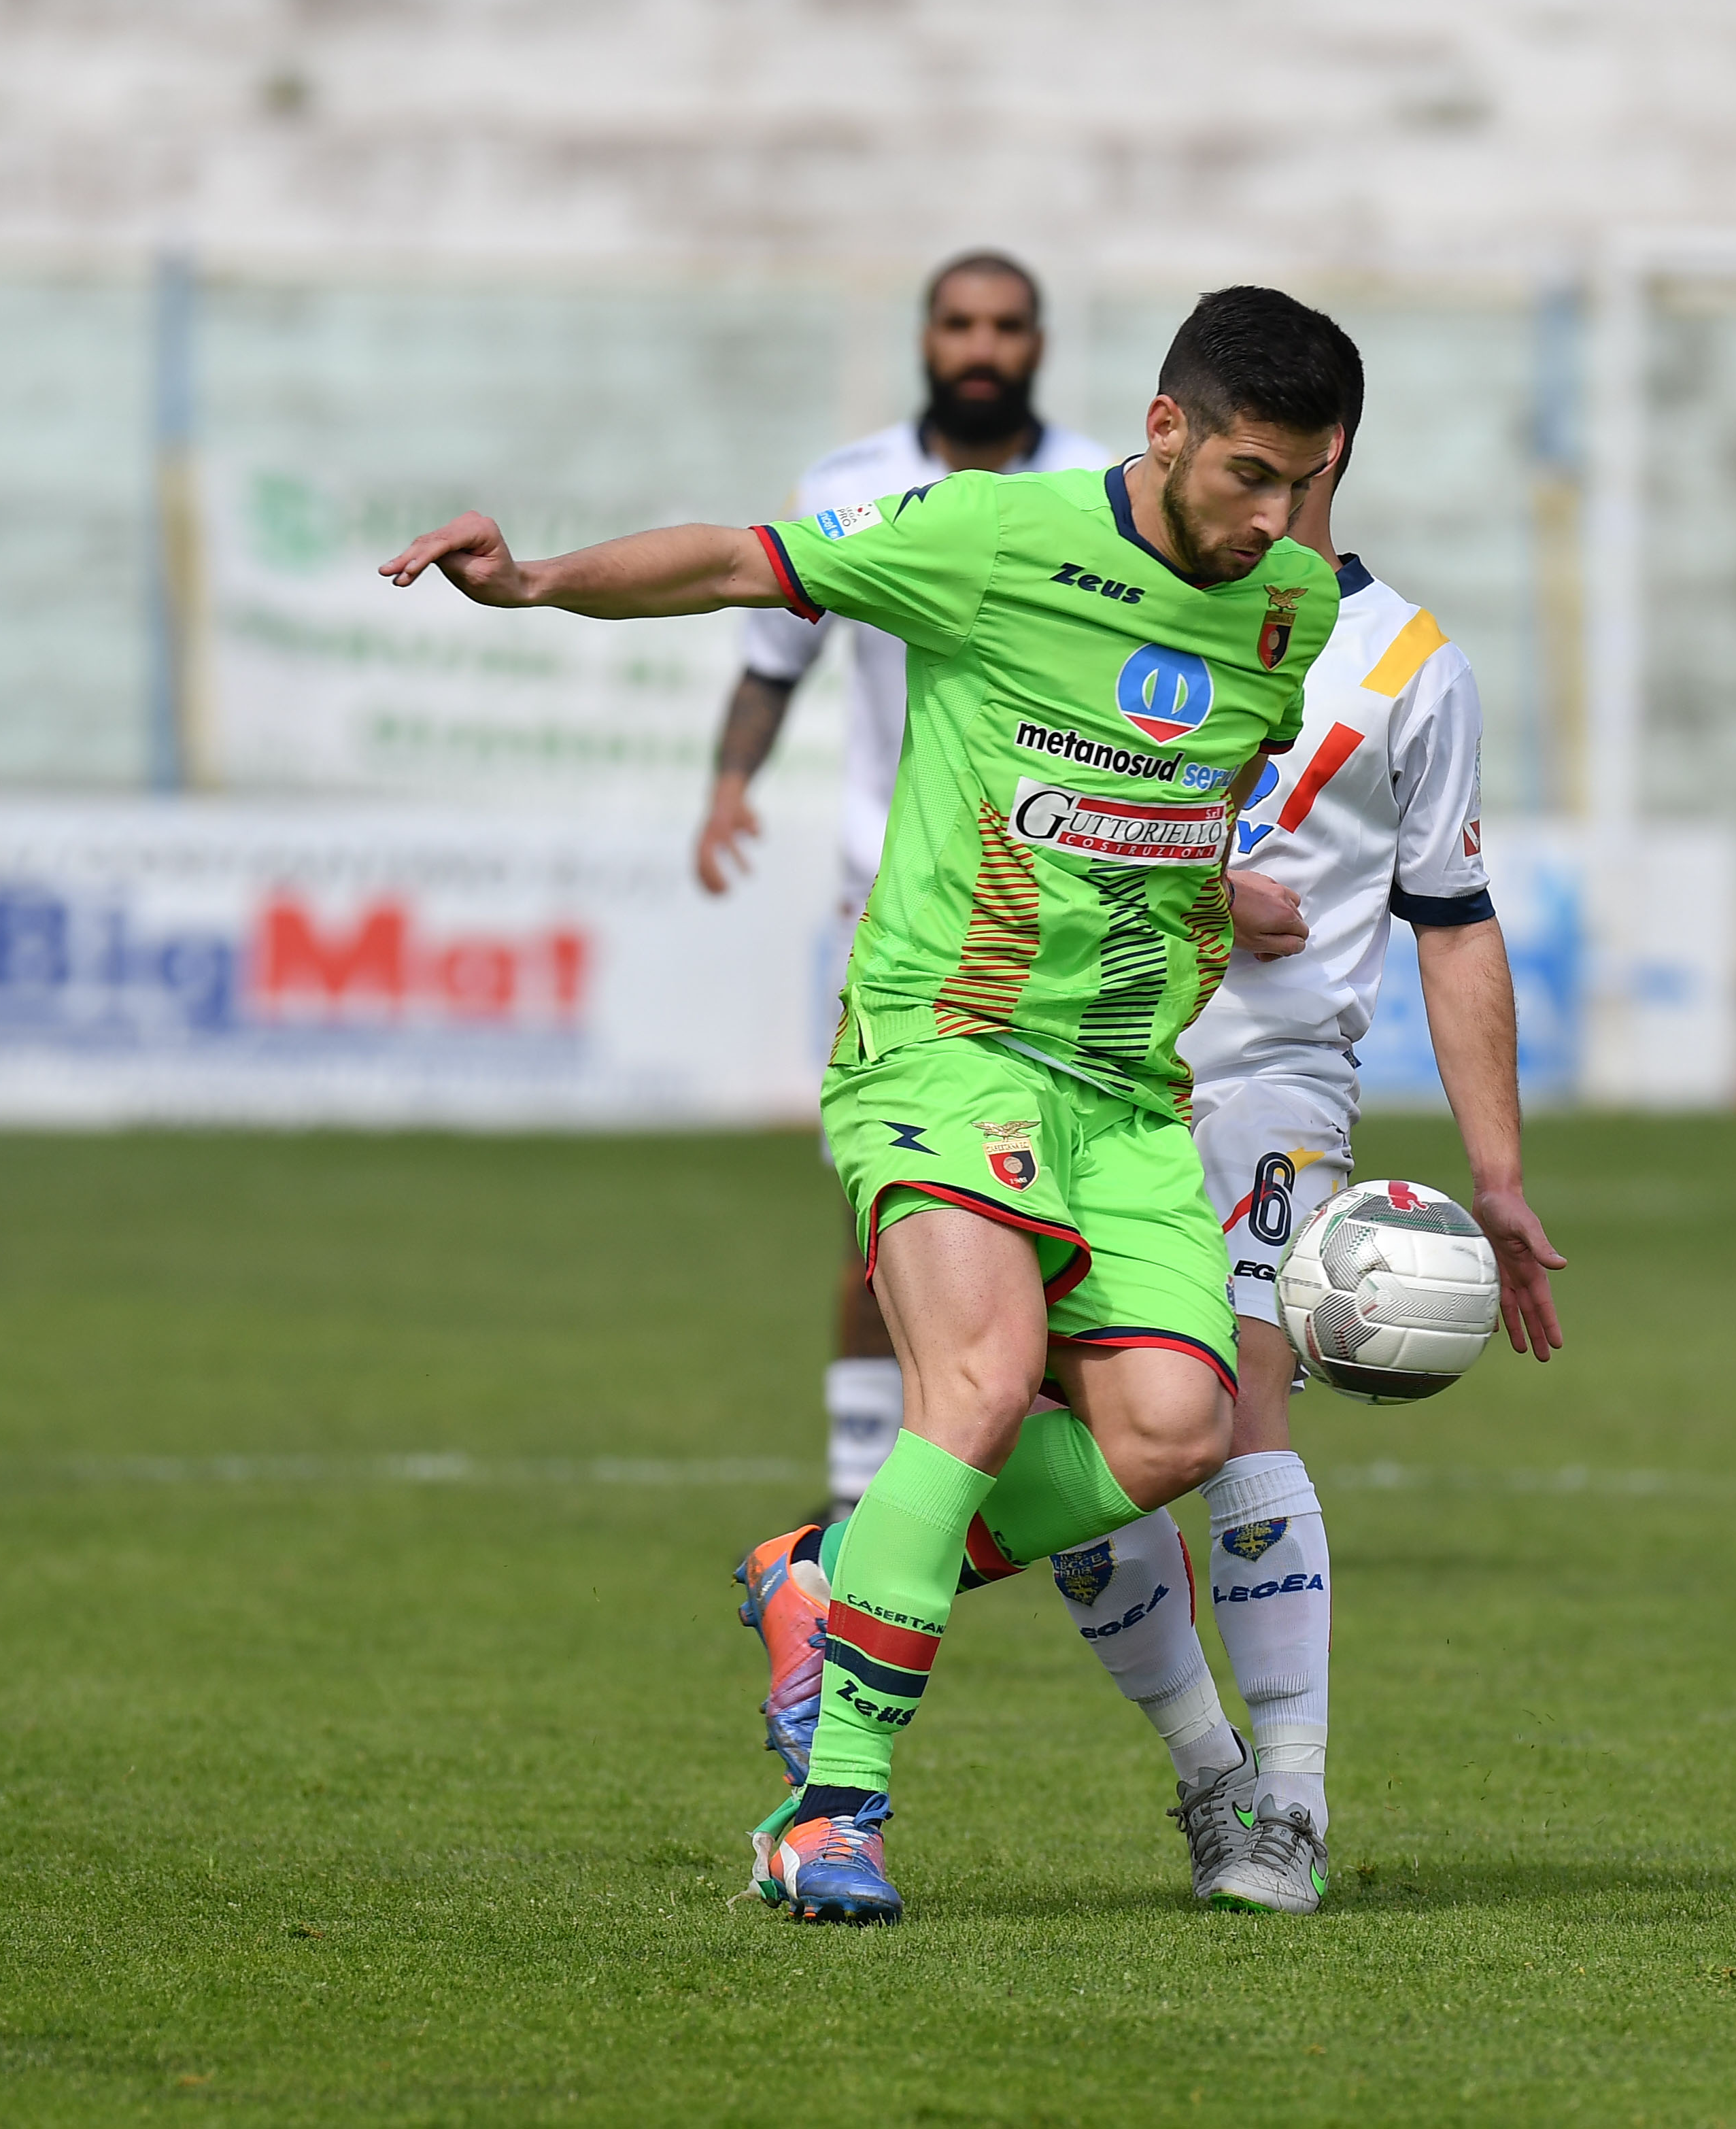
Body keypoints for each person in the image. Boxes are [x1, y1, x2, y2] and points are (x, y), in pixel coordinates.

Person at [382, 286, 1361, 1924]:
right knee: (973, 1390)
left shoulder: (1290, 613)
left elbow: (1160, 796)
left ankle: (823, 1578)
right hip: (941, 1042)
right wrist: (539, 580)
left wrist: (1216, 880)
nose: (1277, 519)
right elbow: (741, 561)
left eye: (1310, 483)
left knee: (1172, 1434)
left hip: (1122, 1093)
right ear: (1167, 429)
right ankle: (830, 1813)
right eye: (1253, 475)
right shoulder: (987, 534)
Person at [1043, 385, 1570, 1915]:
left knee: (1239, 1400)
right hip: (1063, 1062)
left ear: (1319, 450)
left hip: (1267, 1080)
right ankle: (1206, 1768)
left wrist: (1500, 1178)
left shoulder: (1408, 662)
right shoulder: (1094, 592)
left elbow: (1454, 928)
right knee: (1091, 1444)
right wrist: (1204, 881)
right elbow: (1006, 810)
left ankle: (1290, 1797)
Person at [690, 251, 1112, 1530]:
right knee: (882, 1212)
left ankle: (1021, 1487)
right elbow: (775, 652)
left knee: (1067, 1218)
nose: (980, 346)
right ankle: (853, 1482)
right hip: (893, 906)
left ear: (1038, 341)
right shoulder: (849, 488)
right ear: (926, 338)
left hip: (1074, 917)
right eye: (958, 324)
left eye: (1005, 326)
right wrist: (728, 786)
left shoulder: (1102, 491)